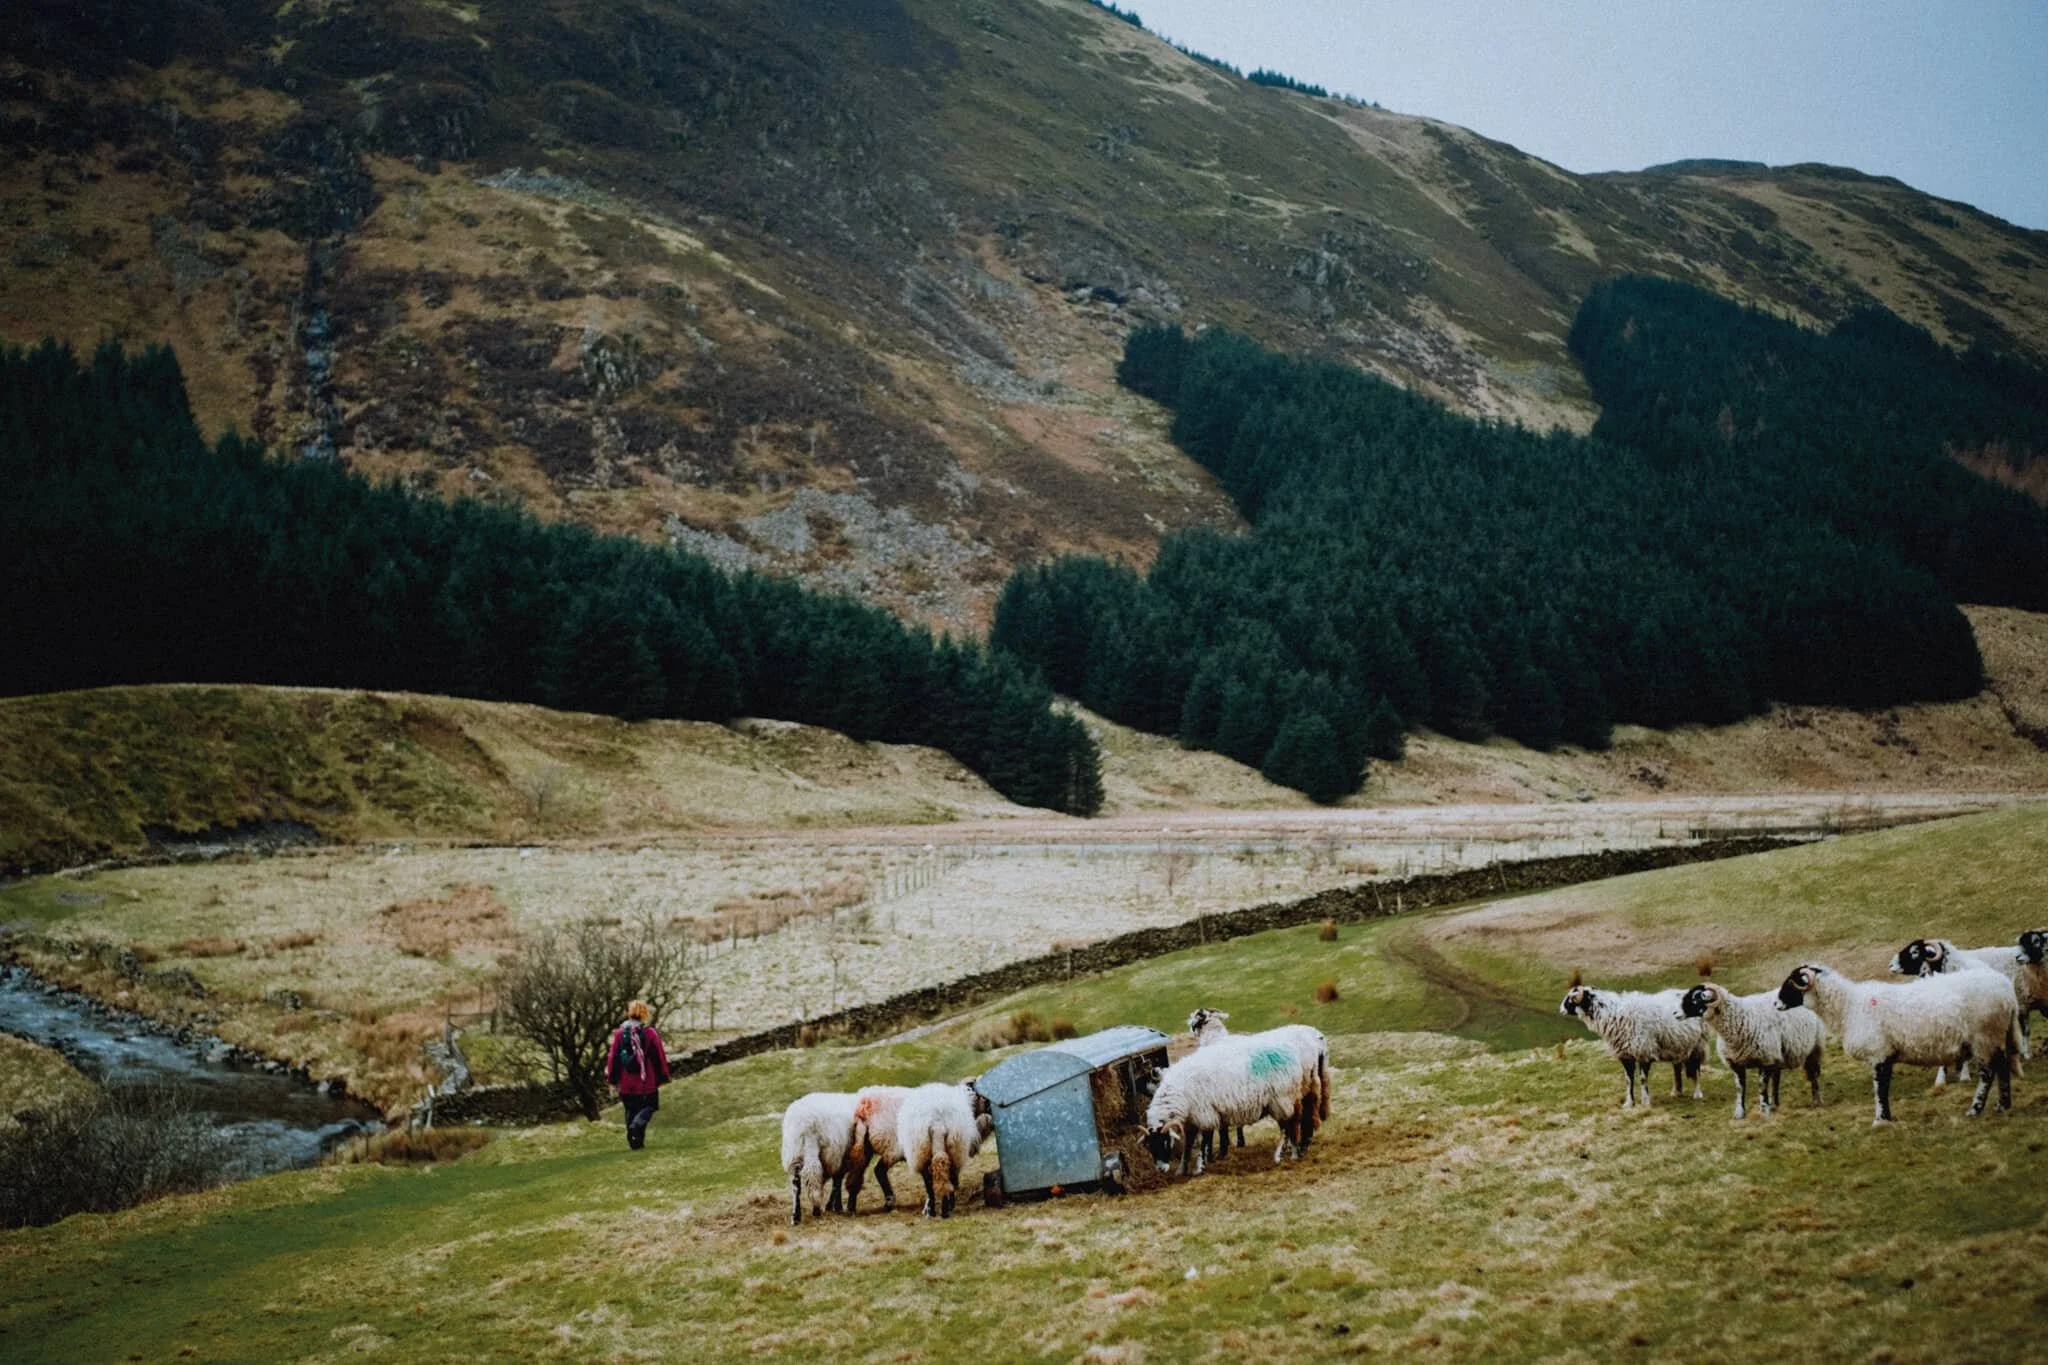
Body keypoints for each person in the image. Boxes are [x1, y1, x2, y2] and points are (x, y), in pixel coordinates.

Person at [605, 1000, 671, 1150]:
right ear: (644, 1014)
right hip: (646, 1081)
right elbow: (658, 1056)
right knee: (650, 1106)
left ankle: (635, 1143)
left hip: (626, 1082)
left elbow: (613, 1056)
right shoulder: (650, 1033)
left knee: (630, 1110)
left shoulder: (620, 1033)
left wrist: (613, 1079)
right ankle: (637, 1127)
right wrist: (663, 1076)